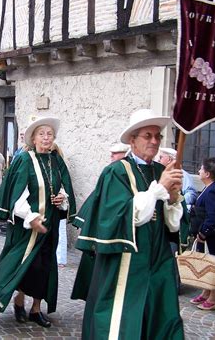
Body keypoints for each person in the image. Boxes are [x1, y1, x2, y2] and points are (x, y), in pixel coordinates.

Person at [73, 109, 184, 339]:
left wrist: (173, 200)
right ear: (132, 140)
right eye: (147, 136)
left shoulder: (161, 170)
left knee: (160, 317)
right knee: (122, 320)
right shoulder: (116, 172)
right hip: (126, 260)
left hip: (157, 260)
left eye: (158, 136)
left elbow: (172, 226)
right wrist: (159, 190)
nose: (154, 141)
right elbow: (126, 215)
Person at [0, 116, 76, 328]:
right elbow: (18, 195)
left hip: (49, 224)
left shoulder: (57, 160)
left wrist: (62, 197)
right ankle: (19, 301)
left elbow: (64, 187)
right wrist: (31, 217)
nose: (46, 138)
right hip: (27, 226)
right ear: (34, 139)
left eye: (50, 134)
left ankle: (36, 309)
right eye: (42, 134)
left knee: (44, 266)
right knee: (26, 264)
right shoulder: (25, 160)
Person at [190, 157, 215, 311]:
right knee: (205, 264)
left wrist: (204, 233)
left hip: (213, 236)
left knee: (213, 264)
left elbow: (213, 215)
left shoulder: (213, 190)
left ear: (207, 173)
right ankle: (206, 292)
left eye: (201, 169)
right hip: (208, 235)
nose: (199, 171)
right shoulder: (210, 187)